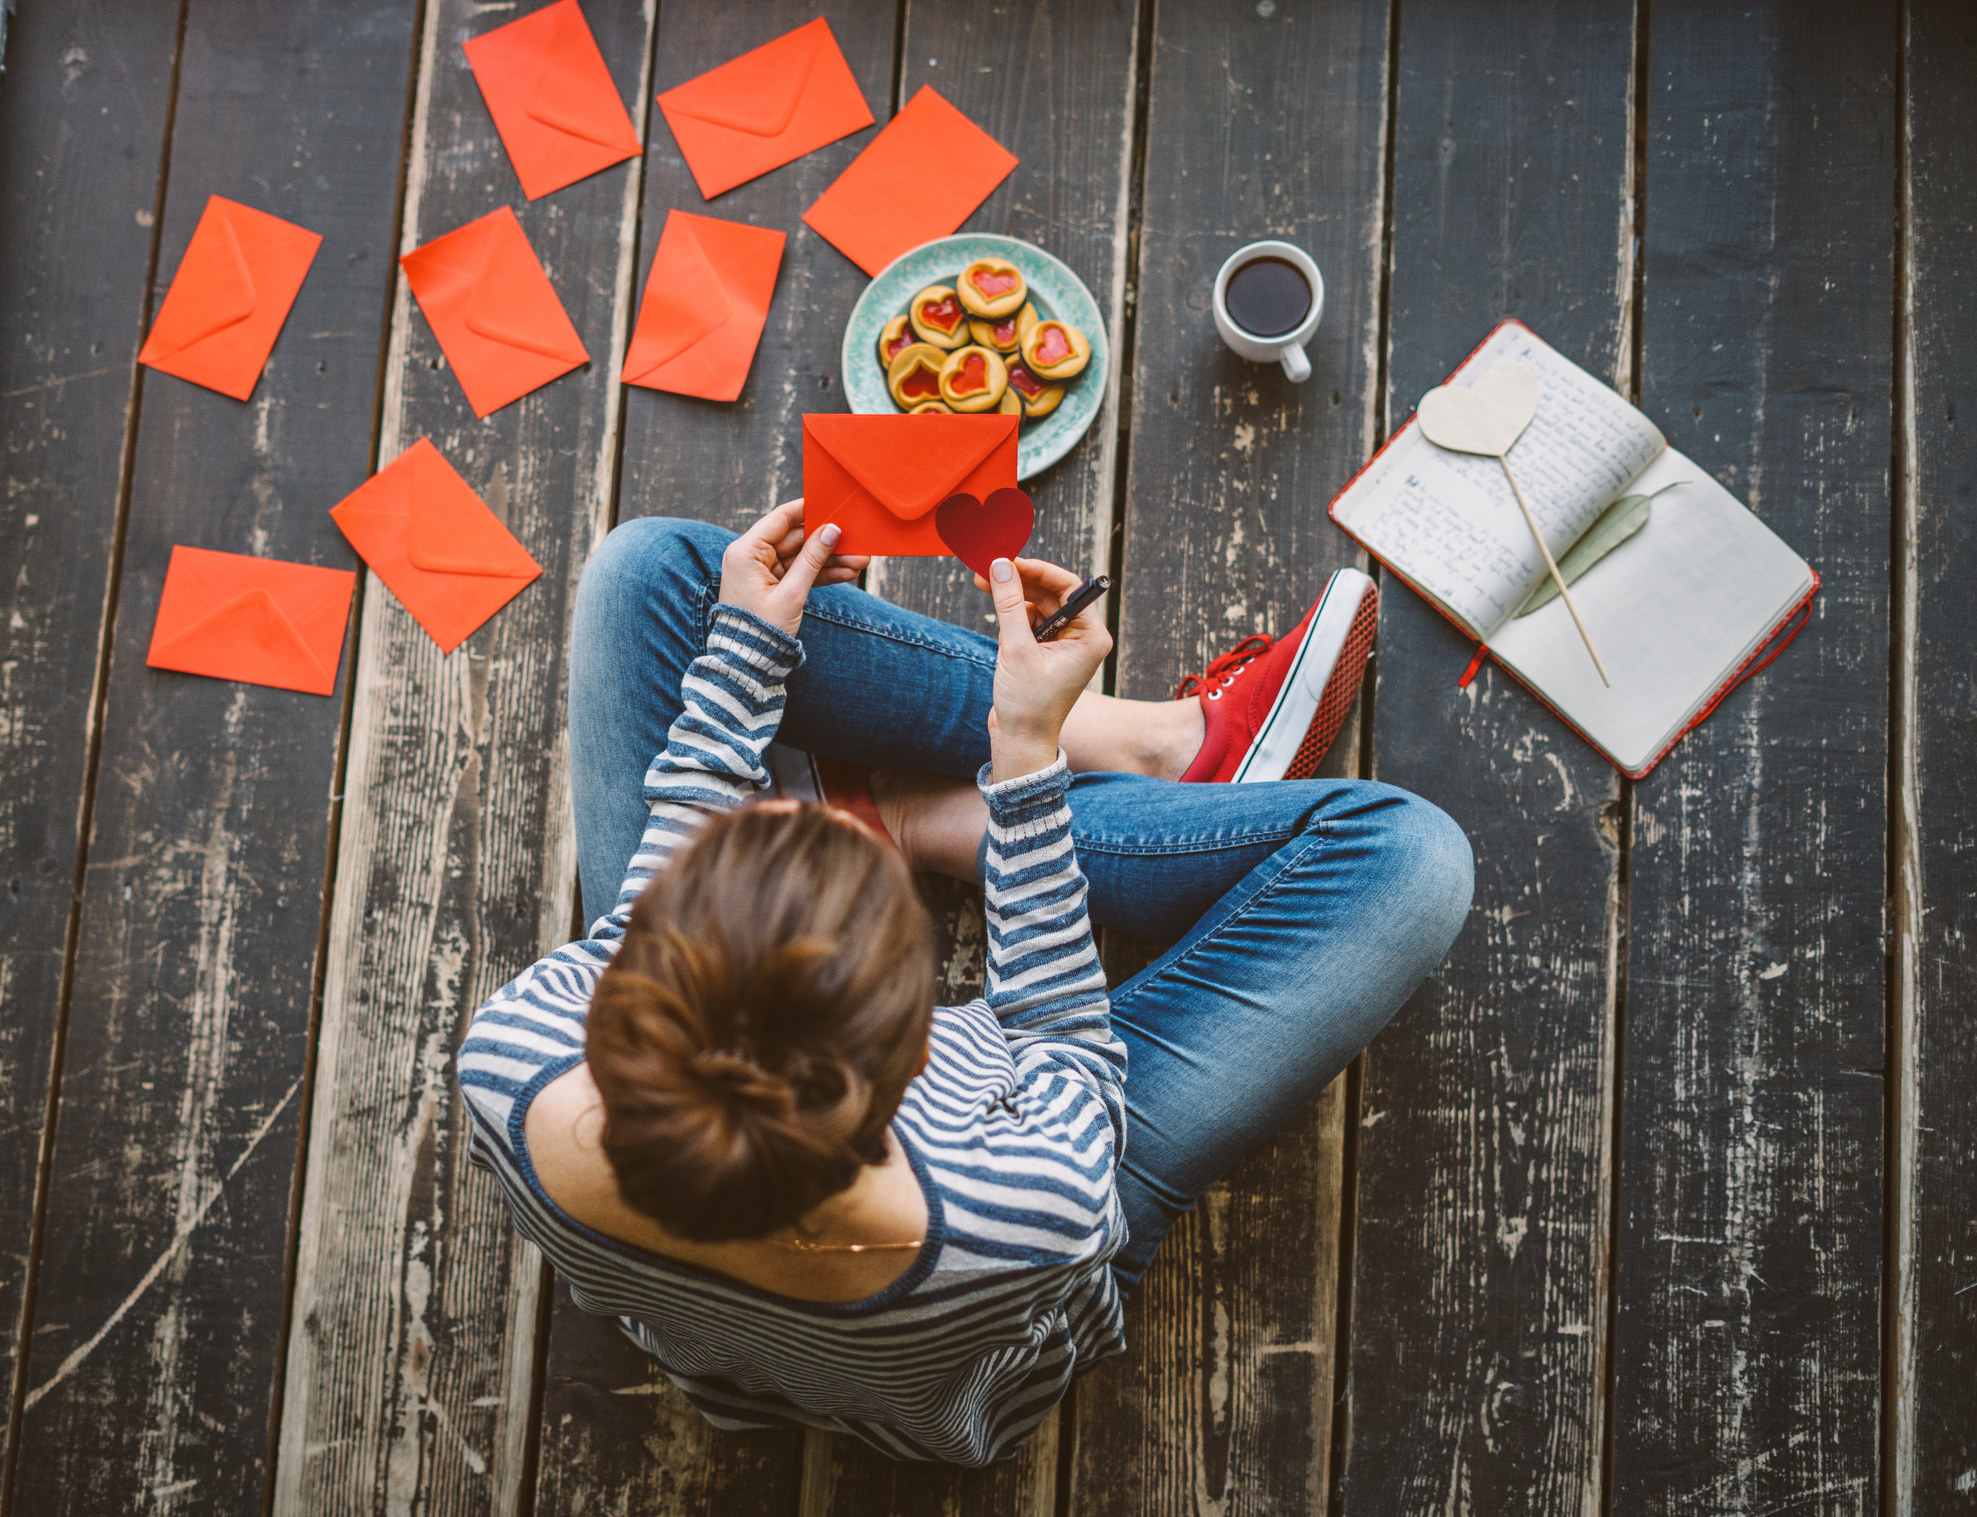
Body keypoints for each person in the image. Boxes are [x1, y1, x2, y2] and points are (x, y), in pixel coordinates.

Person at [458, 502, 1472, 1467]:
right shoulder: (1039, 1200)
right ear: (931, 1041)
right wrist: (1024, 759)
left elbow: (651, 896)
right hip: (1004, 1288)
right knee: (1412, 857)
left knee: (647, 572)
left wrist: (745, 656)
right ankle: (955, 807)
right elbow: (1059, 1031)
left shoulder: (508, 1058)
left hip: (730, 1338)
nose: (758, 809)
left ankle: (982, 785)